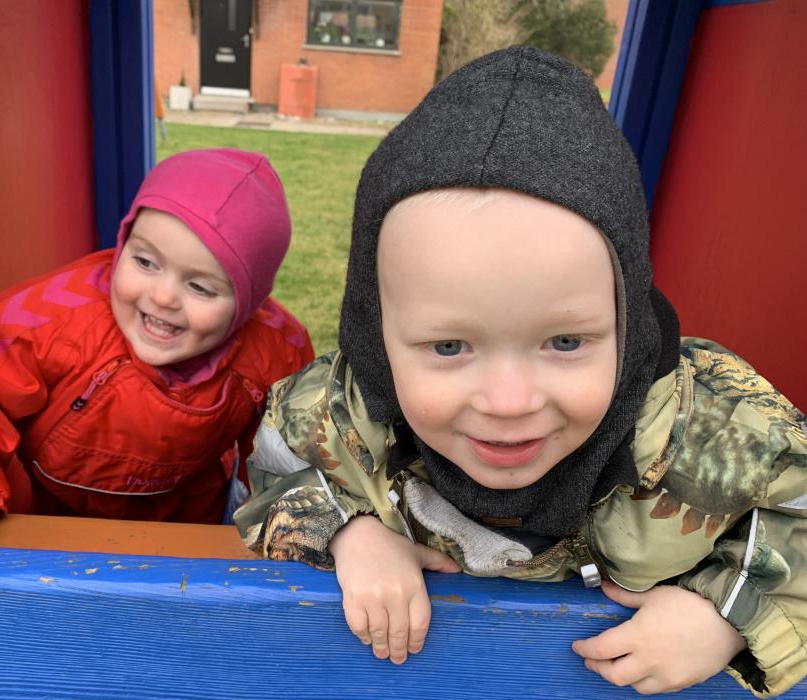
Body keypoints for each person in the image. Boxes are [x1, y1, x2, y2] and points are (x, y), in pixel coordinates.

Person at [232, 47, 806, 696]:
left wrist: (726, 611)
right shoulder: (342, 410)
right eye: (449, 346)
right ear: (376, 333)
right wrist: (347, 532)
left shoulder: (713, 427)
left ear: (626, 323)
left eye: (565, 341)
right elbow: (275, 463)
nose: (508, 402)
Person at [0, 148, 314, 546]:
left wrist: (291, 526)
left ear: (248, 303)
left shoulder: (274, 351)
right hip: (52, 525)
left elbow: (293, 451)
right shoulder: (54, 318)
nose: (162, 296)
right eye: (144, 262)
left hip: (188, 527)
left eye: (200, 287)